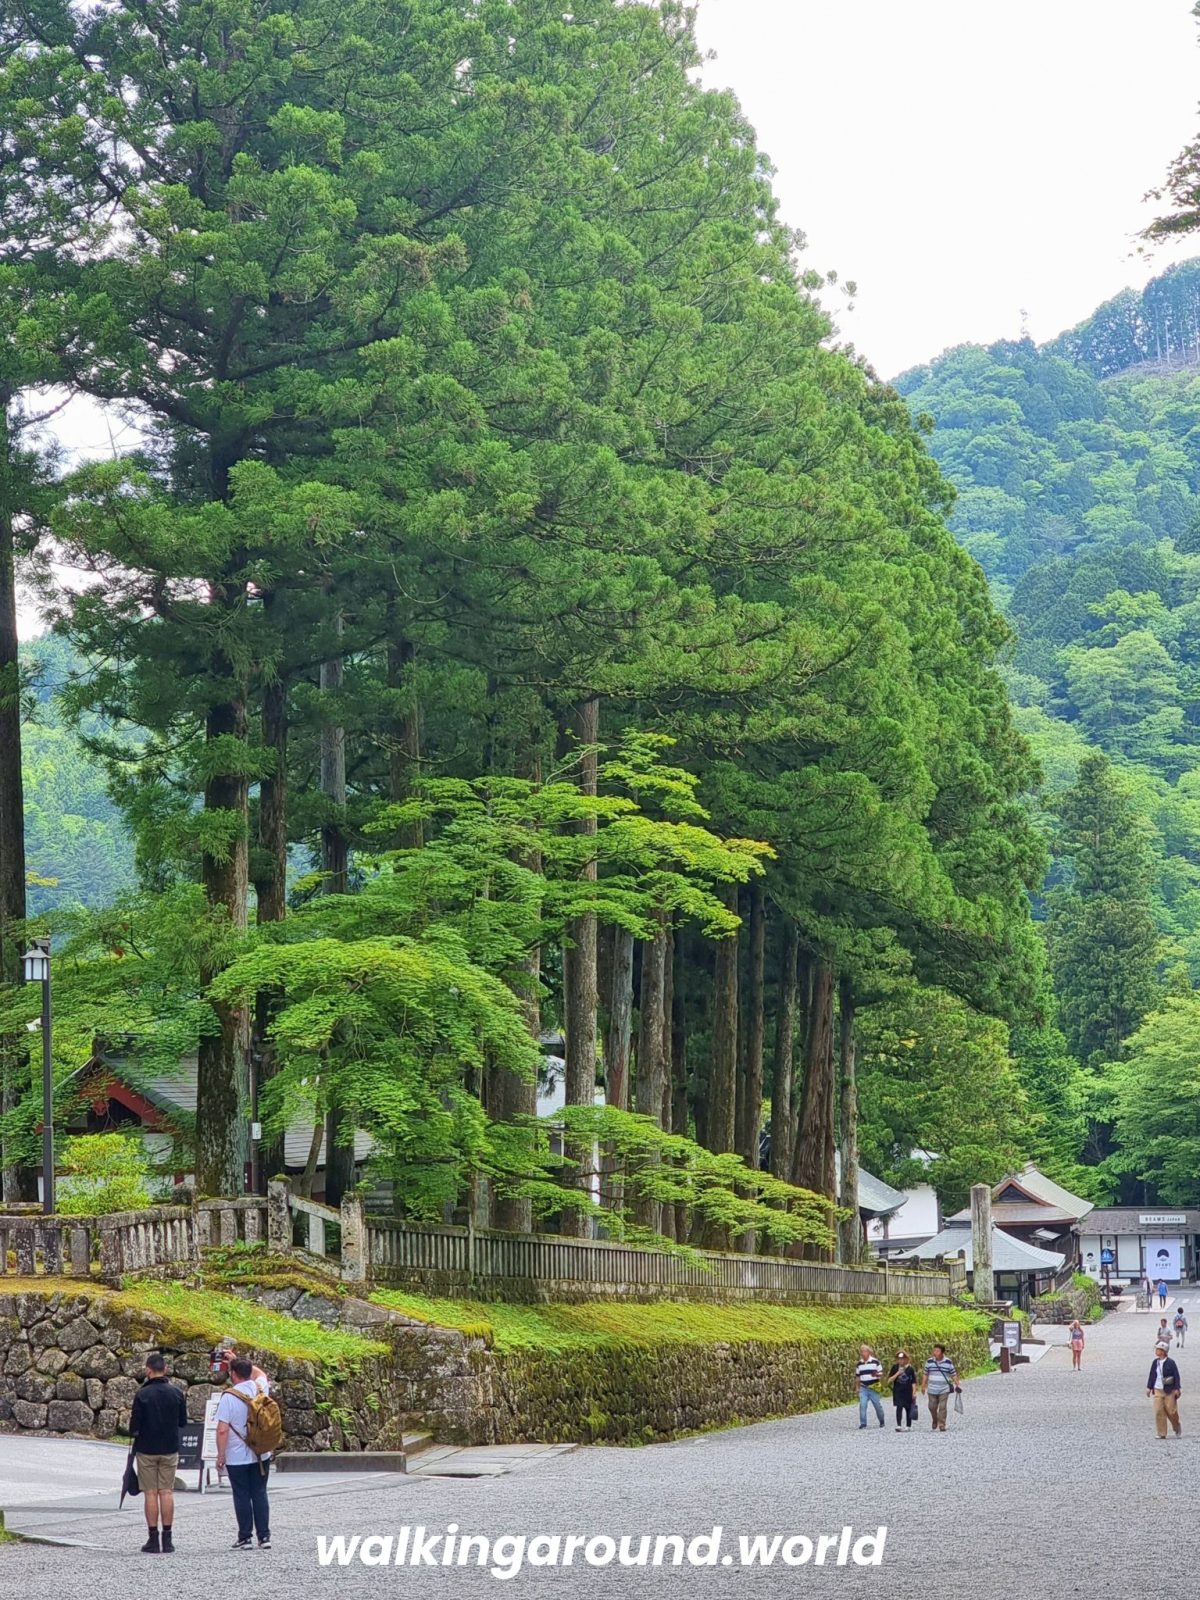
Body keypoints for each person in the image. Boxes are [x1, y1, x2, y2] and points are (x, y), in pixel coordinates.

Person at [129, 1351, 188, 1554]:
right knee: (167, 1491)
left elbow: (133, 1426)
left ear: (148, 1370)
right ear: (166, 1369)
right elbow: (182, 1422)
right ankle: (168, 1539)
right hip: (170, 1448)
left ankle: (153, 1539)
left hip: (146, 1449)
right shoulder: (176, 1393)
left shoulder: (142, 1394)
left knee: (150, 1492)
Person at [216, 1358, 272, 1549]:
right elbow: (261, 1374)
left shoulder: (229, 1397)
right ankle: (264, 1537)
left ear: (233, 1374)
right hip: (261, 1453)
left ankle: (245, 1537)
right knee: (259, 1493)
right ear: (249, 1372)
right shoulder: (260, 1389)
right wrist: (235, 1358)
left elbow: (222, 1429)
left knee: (241, 1495)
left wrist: (220, 1455)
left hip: (236, 1455)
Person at [1147, 1340, 1183, 1439]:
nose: (1156, 1351)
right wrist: (1149, 1387)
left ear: (1163, 1351)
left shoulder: (1171, 1362)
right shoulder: (1155, 1362)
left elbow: (1176, 1375)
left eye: (1158, 1349)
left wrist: (1177, 1388)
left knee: (1171, 1411)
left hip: (1169, 1390)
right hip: (1158, 1389)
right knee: (1158, 1410)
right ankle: (1161, 1432)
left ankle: (1176, 1427)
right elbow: (1152, 1375)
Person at [922, 1344, 960, 1432]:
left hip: (944, 1388)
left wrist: (957, 1384)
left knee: (942, 1407)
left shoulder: (948, 1362)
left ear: (942, 1352)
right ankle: (935, 1419)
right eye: (934, 1350)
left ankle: (942, 1424)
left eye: (937, 1351)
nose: (935, 1352)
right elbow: (925, 1374)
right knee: (931, 1406)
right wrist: (923, 1386)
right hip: (932, 1388)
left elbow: (953, 1374)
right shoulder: (929, 1361)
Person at [855, 1344, 886, 1430]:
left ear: (868, 1352)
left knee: (877, 1405)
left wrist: (876, 1374)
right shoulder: (859, 1364)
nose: (862, 1353)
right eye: (861, 1351)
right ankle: (863, 1423)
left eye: (864, 1351)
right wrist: (857, 1387)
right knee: (863, 1405)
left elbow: (881, 1373)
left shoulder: (875, 1362)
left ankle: (882, 1420)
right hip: (863, 1387)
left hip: (873, 1387)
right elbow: (857, 1376)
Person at [886, 1351, 917, 1430]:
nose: (901, 1361)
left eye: (903, 1359)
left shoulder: (910, 1369)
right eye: (899, 1359)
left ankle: (908, 1425)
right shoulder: (895, 1368)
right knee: (899, 1407)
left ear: (906, 1359)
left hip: (908, 1391)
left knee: (908, 1408)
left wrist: (914, 1392)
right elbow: (889, 1380)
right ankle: (899, 1425)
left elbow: (913, 1381)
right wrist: (897, 1374)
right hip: (898, 1391)